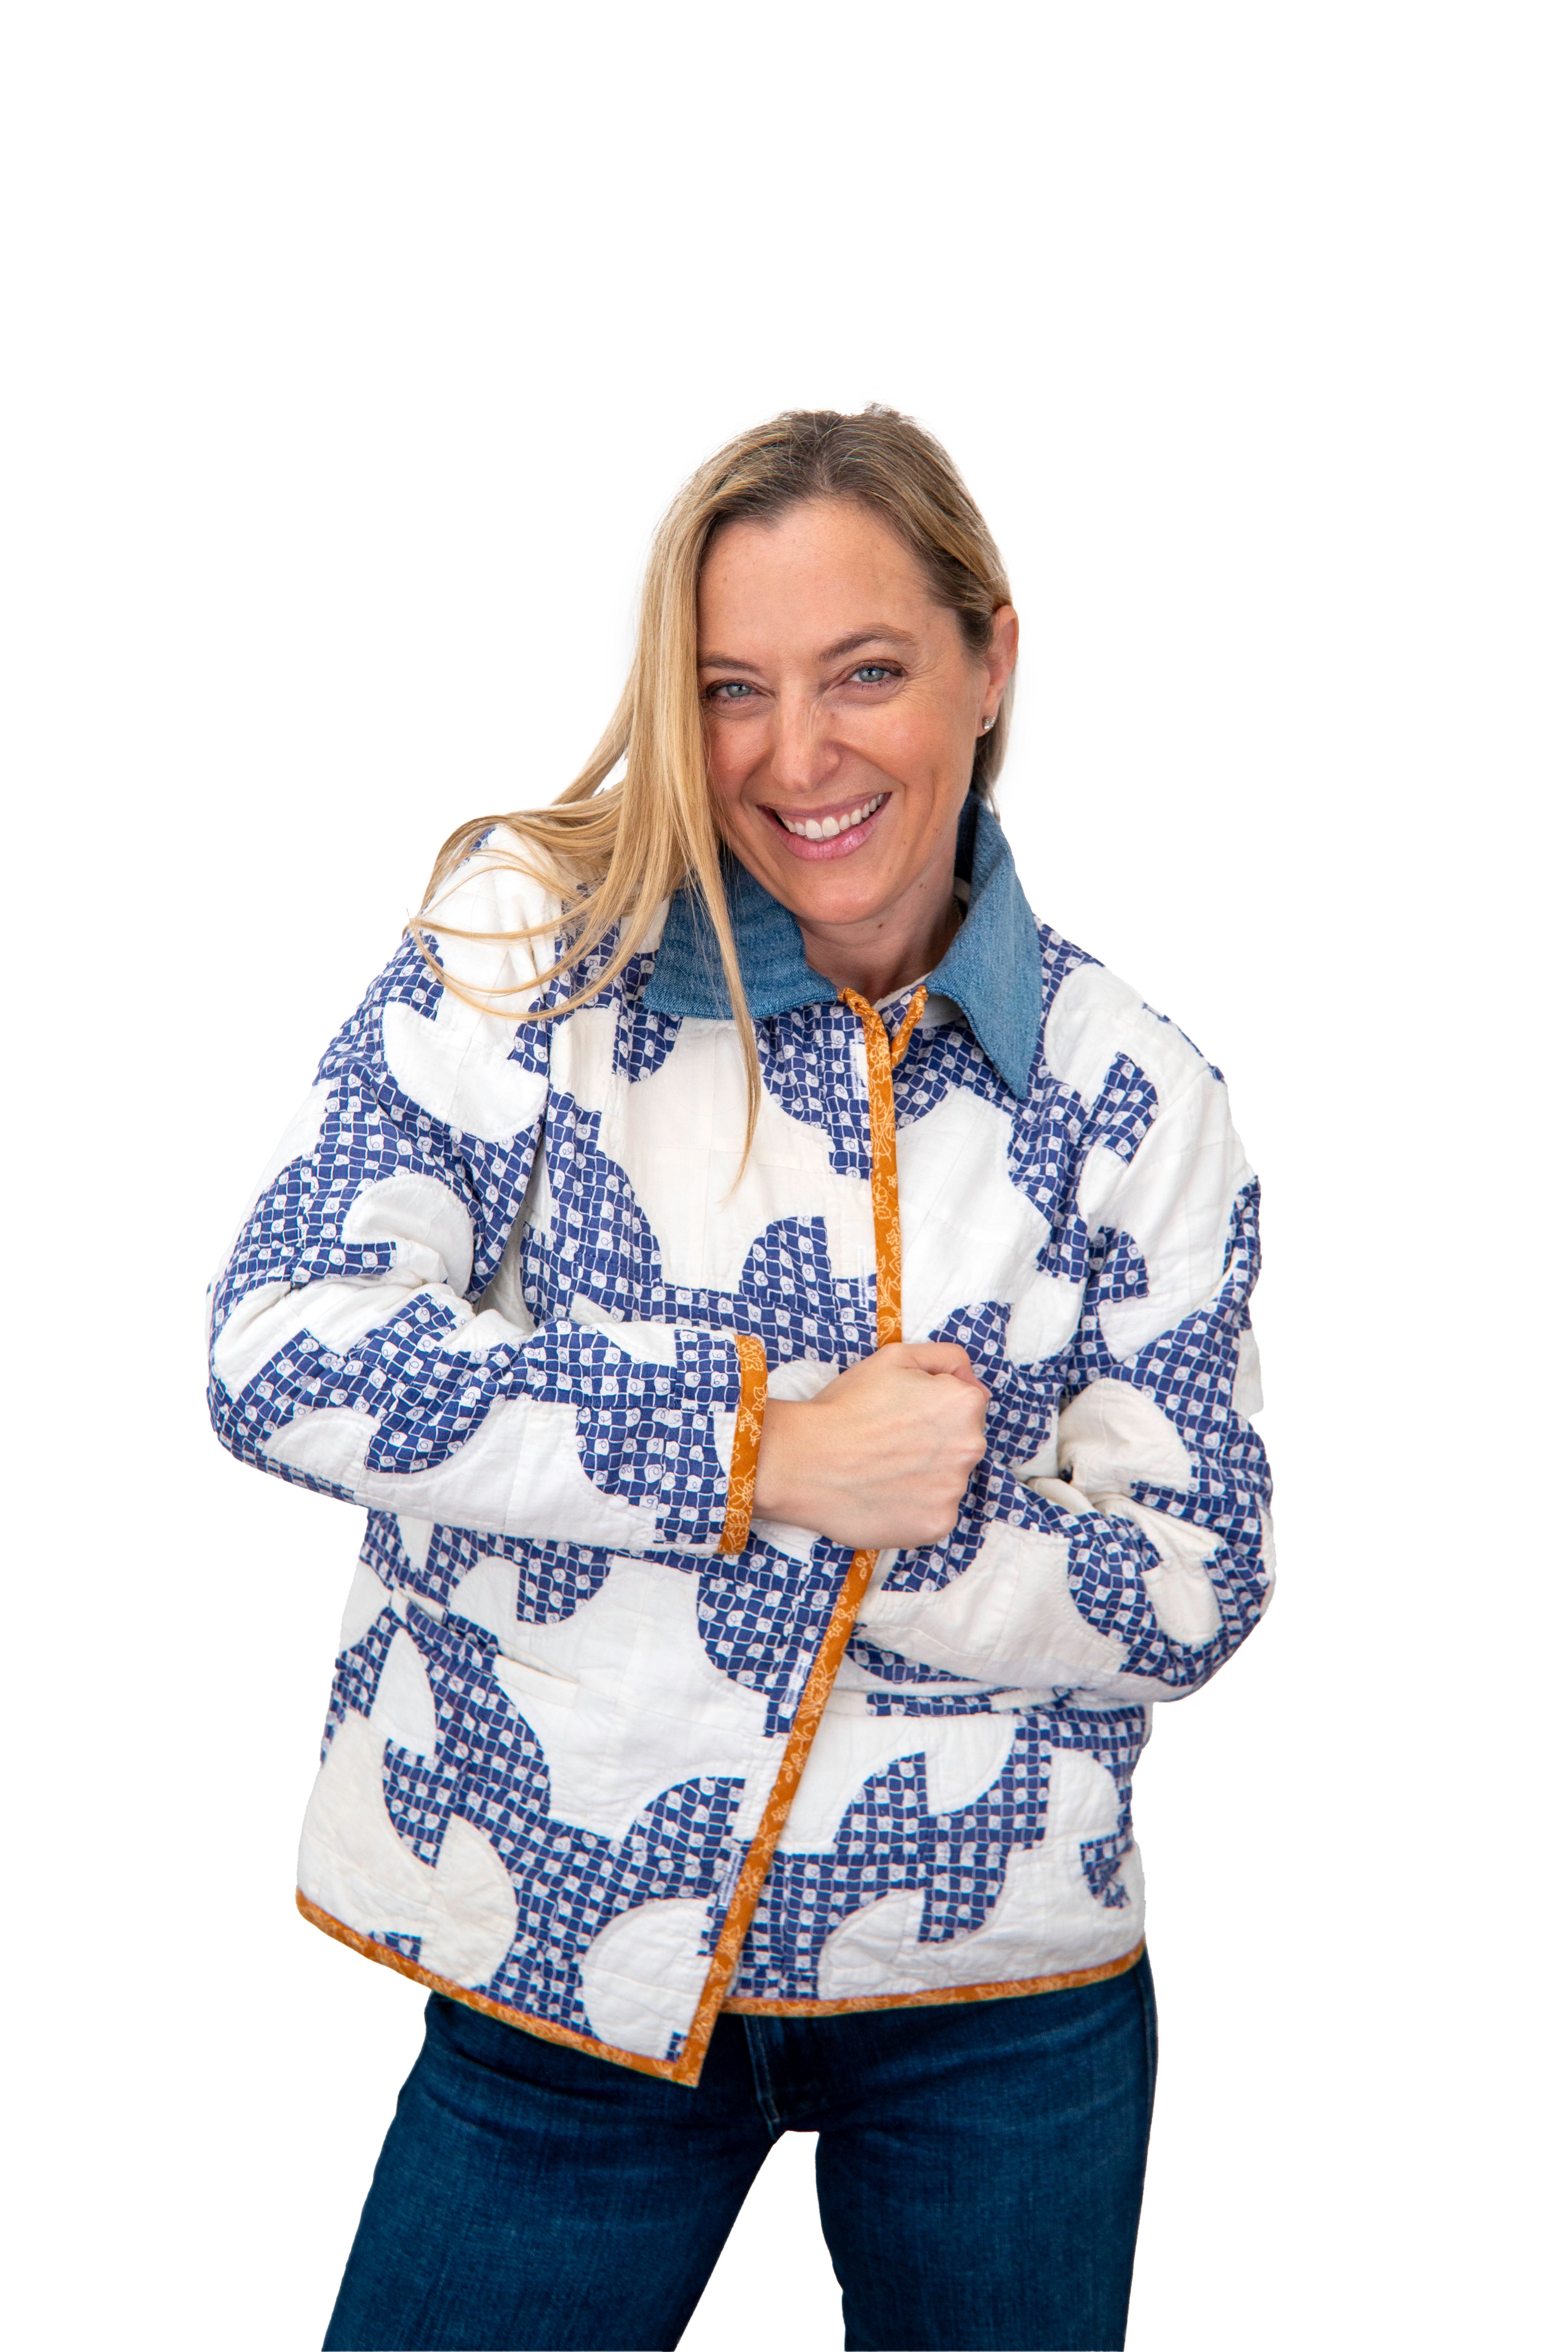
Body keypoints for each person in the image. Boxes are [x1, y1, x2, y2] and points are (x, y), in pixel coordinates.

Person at [208, 406, 1274, 2352]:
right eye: (730, 689)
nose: (797, 755)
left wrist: (884, 1516)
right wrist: (764, 1452)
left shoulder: (1136, 1093)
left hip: (999, 2002)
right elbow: (285, 1340)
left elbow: (1191, 1579)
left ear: (989, 663)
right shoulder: (532, 956)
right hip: (562, 1964)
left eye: (865, 671)